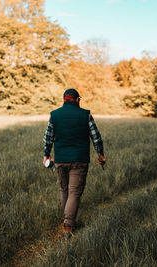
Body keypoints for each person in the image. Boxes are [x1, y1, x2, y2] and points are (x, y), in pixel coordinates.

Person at [43, 88, 106, 238]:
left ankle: (66, 219)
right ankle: (68, 225)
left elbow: (47, 137)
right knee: (74, 192)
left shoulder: (54, 115)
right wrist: (100, 154)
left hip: (60, 160)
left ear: (64, 99)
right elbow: (96, 136)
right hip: (79, 160)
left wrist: (46, 155)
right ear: (77, 100)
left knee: (64, 190)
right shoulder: (85, 115)